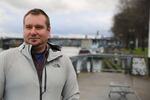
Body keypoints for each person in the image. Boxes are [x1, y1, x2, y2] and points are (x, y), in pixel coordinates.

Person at [0, 8, 80, 100]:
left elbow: (72, 96)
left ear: (48, 30)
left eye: (38, 27)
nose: (33, 32)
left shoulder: (64, 61)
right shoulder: (5, 59)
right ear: (23, 29)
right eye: (28, 27)